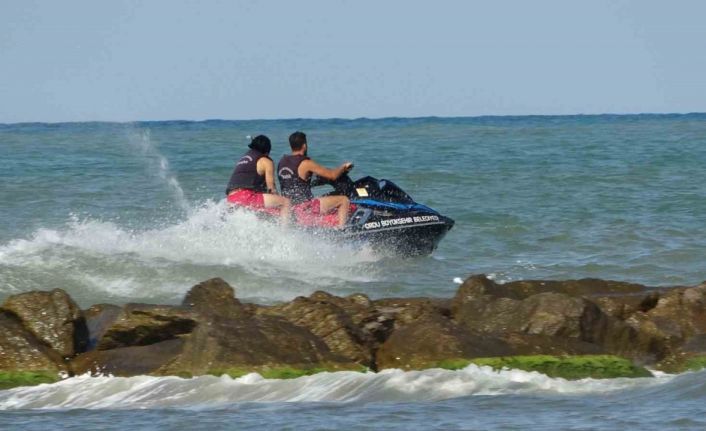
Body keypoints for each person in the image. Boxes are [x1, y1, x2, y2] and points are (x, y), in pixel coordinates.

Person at [277, 131, 352, 227]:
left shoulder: (282, 162)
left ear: (291, 146)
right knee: (344, 200)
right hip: (305, 207)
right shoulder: (306, 162)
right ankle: (342, 230)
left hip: (290, 207)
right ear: (304, 145)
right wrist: (343, 167)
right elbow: (332, 175)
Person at [226, 135, 290, 224]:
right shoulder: (266, 161)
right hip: (246, 197)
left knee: (266, 210)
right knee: (285, 203)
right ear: (267, 150)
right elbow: (271, 188)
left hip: (231, 199)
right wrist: (277, 199)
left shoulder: (244, 159)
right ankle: (285, 234)